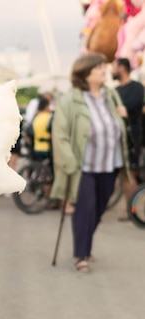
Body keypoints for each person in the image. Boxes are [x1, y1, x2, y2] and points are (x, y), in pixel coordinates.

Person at [50, 53, 130, 273]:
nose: (103, 70)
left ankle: (85, 244)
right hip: (83, 166)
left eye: (103, 67)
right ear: (84, 73)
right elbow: (60, 134)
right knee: (85, 209)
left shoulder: (111, 96)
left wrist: (122, 116)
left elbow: (116, 125)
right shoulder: (70, 100)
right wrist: (70, 162)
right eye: (98, 68)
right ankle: (81, 255)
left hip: (110, 164)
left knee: (100, 207)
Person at [112, 56, 145, 220]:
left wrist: (119, 109)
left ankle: (131, 210)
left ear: (122, 68)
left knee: (130, 173)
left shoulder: (137, 88)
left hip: (133, 138)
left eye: (114, 66)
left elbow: (131, 107)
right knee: (124, 174)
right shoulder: (115, 91)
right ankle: (130, 208)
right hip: (118, 138)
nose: (112, 70)